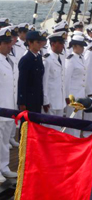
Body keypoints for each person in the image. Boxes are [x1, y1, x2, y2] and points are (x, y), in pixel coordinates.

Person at [0, 27, 18, 182]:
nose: (9, 45)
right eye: (6, 43)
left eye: (9, 42)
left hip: (9, 107)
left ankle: (4, 167)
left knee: (5, 141)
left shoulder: (10, 61)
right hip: (0, 108)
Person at [42, 31, 68, 130]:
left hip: (59, 100)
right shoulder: (47, 60)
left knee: (57, 128)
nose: (63, 46)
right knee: (49, 129)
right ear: (53, 44)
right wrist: (45, 101)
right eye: (60, 43)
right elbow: (44, 82)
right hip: (50, 101)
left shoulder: (60, 58)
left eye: (63, 43)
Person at [64, 35, 88, 137]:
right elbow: (66, 79)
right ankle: (71, 139)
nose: (83, 48)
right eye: (81, 46)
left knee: (78, 120)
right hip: (73, 95)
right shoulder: (70, 60)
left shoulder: (81, 58)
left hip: (80, 94)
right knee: (72, 120)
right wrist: (67, 96)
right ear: (75, 46)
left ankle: (77, 138)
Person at [17, 31, 44, 113]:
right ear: (30, 43)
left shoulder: (39, 58)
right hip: (28, 100)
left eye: (41, 42)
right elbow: (22, 82)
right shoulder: (25, 59)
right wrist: (22, 102)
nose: (40, 44)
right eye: (38, 42)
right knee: (27, 124)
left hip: (37, 98)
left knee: (36, 124)